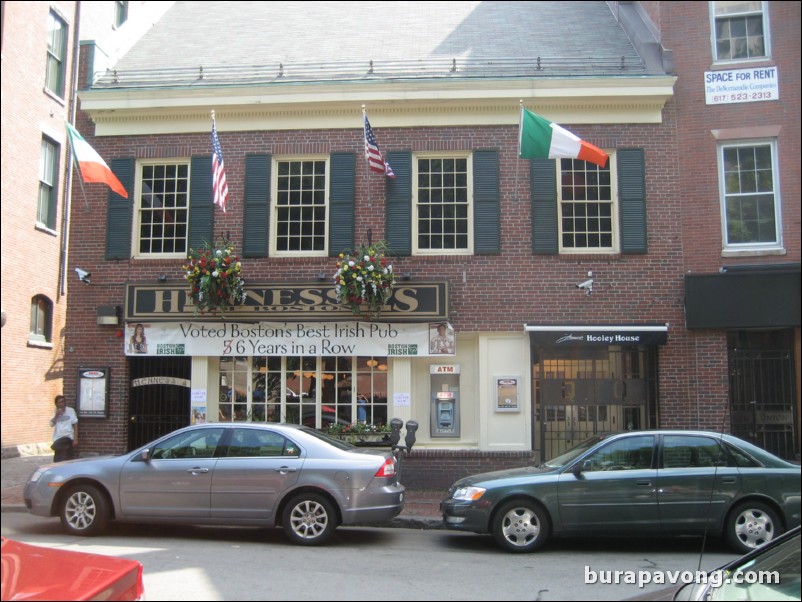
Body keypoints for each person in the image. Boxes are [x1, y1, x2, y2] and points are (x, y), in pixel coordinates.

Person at [50, 395, 78, 462]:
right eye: (59, 402)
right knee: (58, 459)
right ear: (56, 404)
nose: (62, 404)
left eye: (63, 402)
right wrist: (56, 415)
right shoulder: (55, 412)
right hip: (58, 437)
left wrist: (75, 439)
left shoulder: (70, 411)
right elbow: (51, 424)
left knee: (67, 458)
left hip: (68, 437)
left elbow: (75, 424)